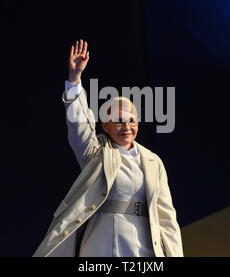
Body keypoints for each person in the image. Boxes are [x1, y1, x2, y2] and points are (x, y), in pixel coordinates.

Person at [33, 40, 183, 257]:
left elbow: (167, 217)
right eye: (119, 121)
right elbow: (78, 125)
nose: (126, 127)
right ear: (105, 125)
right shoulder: (96, 153)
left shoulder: (152, 161)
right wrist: (75, 79)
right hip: (101, 244)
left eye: (132, 121)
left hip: (144, 245)